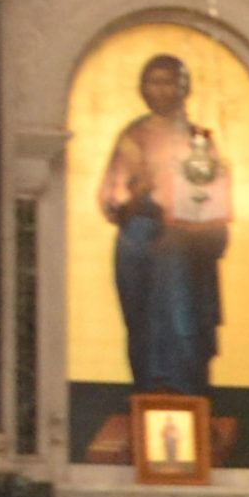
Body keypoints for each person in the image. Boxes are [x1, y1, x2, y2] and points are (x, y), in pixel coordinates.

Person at [97, 54, 233, 397]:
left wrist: (198, 212)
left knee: (183, 319)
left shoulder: (199, 139)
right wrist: (136, 193)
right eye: (153, 82)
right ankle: (149, 391)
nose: (160, 90)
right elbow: (113, 198)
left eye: (168, 82)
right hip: (139, 238)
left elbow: (213, 195)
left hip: (184, 244)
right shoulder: (133, 136)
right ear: (142, 88)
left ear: (183, 88)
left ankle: (185, 391)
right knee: (142, 323)